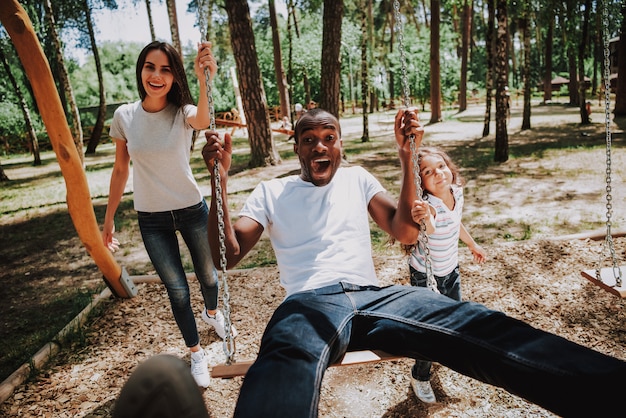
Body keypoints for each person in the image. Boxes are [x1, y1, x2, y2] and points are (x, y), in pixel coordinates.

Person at [198, 108, 624, 417]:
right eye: (309, 139)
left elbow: (404, 232)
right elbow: (226, 256)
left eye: (329, 137)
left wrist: (406, 158)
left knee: (477, 326)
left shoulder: (357, 178)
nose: (320, 146)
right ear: (296, 147)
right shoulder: (271, 192)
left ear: (340, 144)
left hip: (376, 297)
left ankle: (610, 392)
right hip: (308, 303)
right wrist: (219, 177)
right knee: (284, 360)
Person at [101, 41, 236, 388]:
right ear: (140, 70)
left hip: (191, 209)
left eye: (165, 69)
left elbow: (204, 118)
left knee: (208, 278)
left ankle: (212, 314)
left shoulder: (182, 112)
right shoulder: (124, 117)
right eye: (150, 67)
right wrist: (109, 218)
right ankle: (196, 354)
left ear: (175, 75)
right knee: (177, 291)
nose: (156, 75)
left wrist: (205, 79)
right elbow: (120, 169)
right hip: (152, 219)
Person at [404, 146, 487, 403]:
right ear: (421, 183)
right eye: (428, 172)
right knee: (429, 330)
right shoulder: (428, 206)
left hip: (451, 269)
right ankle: (420, 375)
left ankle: (443, 352)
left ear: (449, 168)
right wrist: (426, 217)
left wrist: (472, 244)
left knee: (455, 315)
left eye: (441, 166)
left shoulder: (456, 193)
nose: (438, 173)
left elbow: (455, 221)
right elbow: (430, 228)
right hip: (426, 276)